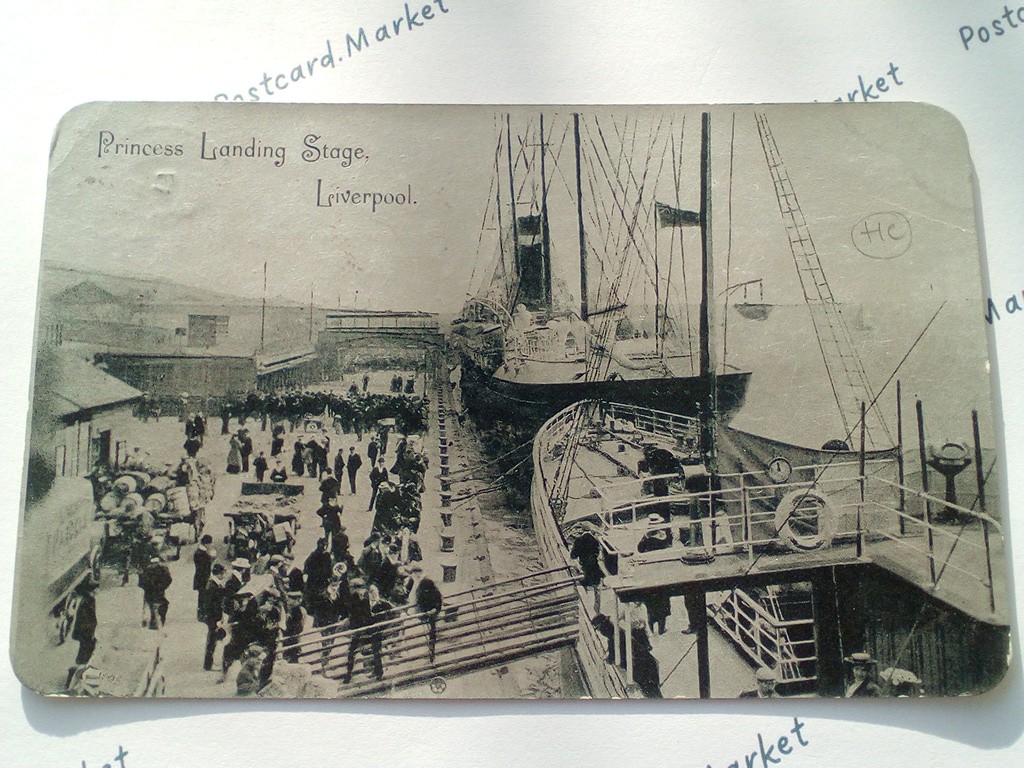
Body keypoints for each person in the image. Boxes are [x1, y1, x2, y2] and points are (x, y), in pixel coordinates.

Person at [202, 563, 228, 671]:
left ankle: (209, 663)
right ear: (219, 573)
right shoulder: (213, 586)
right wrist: (217, 619)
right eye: (223, 573)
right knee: (212, 640)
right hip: (213, 617)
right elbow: (212, 605)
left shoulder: (213, 584)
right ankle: (208, 664)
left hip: (213, 616)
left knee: (212, 639)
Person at [414, 574, 443, 662]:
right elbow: (418, 604)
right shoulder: (420, 592)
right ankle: (428, 652)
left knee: (432, 632)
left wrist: (434, 610)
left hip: (432, 614)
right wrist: (423, 613)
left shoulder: (434, 592)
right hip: (424, 614)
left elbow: (439, 603)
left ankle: (431, 652)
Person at [139, 555, 173, 630]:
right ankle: (155, 621)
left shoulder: (161, 570)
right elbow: (141, 582)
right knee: (154, 606)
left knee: (158, 605)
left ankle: (157, 620)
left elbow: (168, 580)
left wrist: (161, 587)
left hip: (156, 592)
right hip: (152, 592)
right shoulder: (149, 571)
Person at [70, 578, 98, 666]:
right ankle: (82, 661)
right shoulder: (88, 601)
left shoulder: (87, 600)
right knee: (86, 643)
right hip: (86, 629)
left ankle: (82, 661)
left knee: (86, 643)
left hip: (86, 628)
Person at [193, 534, 216, 622]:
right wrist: (211, 559)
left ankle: (202, 614)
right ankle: (201, 615)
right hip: (202, 578)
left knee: (203, 596)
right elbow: (203, 567)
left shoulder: (201, 552)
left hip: (201, 577)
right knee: (202, 597)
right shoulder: (201, 553)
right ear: (206, 543)